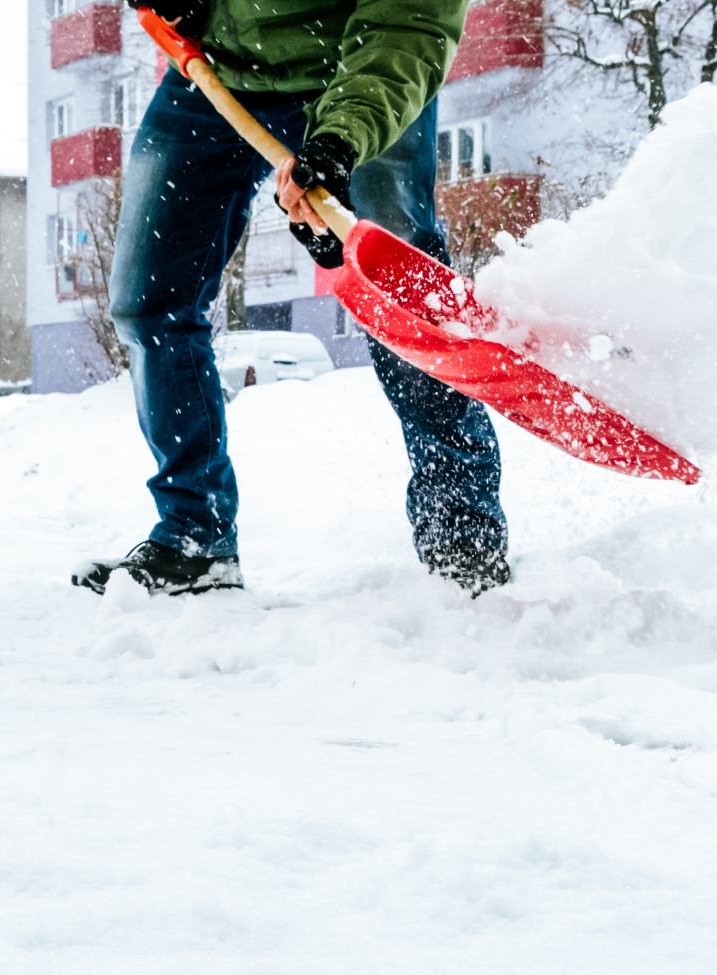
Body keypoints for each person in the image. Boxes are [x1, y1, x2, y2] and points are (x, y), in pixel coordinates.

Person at [72, 0, 509, 599]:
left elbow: (410, 20)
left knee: (403, 294)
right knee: (150, 300)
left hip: (357, 66)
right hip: (216, 70)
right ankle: (195, 539)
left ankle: (464, 539)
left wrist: (338, 144)